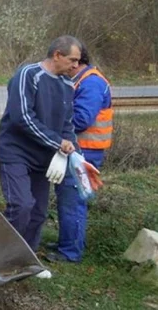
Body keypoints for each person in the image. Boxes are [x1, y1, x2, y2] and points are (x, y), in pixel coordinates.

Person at [0, 35, 81, 252]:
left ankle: (26, 257)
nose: (76, 65)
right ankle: (1, 255)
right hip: (16, 152)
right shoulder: (28, 74)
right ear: (57, 55)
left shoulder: (67, 84)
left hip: (44, 158)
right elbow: (22, 117)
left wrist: (74, 152)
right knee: (22, 205)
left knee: (38, 212)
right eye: (72, 59)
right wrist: (57, 142)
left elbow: (67, 124)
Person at [46, 44, 113, 262]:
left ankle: (70, 252)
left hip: (84, 152)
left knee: (72, 201)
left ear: (77, 62)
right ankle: (67, 243)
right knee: (68, 199)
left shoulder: (91, 83)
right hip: (77, 151)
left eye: (71, 63)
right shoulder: (82, 80)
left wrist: (52, 121)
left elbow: (82, 119)